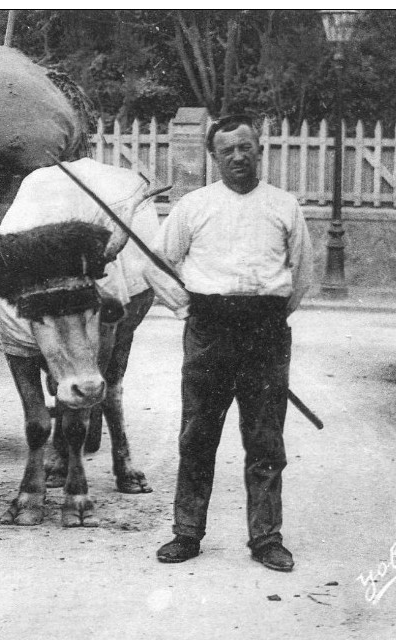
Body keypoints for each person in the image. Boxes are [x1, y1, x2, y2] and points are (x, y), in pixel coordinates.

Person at [148, 114, 314, 572]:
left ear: (259, 149)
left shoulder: (284, 206)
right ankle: (187, 532)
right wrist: (186, 308)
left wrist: (270, 316)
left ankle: (266, 538)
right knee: (198, 434)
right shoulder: (194, 206)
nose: (238, 156)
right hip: (208, 331)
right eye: (228, 150)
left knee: (265, 439)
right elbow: (158, 264)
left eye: (246, 147)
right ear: (214, 157)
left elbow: (302, 274)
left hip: (265, 333)